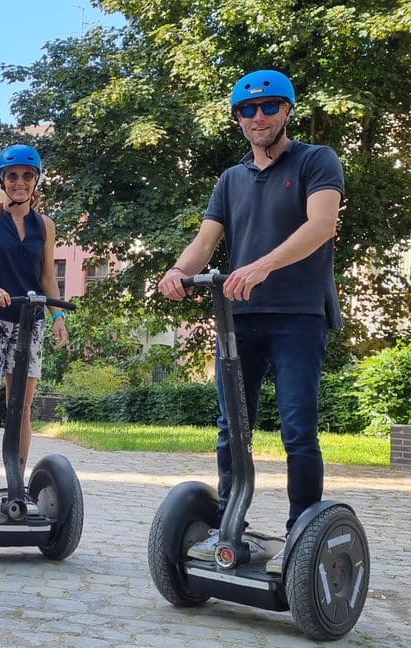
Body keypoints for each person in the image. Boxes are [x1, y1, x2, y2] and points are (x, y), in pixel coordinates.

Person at [157, 69, 345, 574]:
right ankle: (228, 526)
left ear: (287, 111)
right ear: (238, 118)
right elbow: (204, 243)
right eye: (248, 110)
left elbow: (321, 225)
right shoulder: (231, 179)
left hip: (299, 317)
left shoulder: (316, 160)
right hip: (240, 318)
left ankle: (300, 537)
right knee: (230, 429)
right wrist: (178, 271)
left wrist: (262, 265)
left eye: (269, 108)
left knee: (298, 430)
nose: (258, 117)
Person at [0, 144, 70, 517]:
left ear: (36, 180)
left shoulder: (45, 224)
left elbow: (46, 276)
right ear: (3, 180)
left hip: (30, 320)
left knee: (21, 406)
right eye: (13, 176)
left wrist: (58, 316)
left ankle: (16, 484)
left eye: (27, 176)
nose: (20, 182)